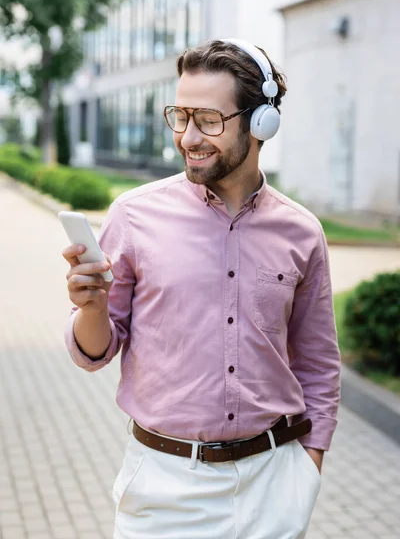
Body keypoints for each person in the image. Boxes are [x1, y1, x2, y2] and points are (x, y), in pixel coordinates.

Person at [63, 39, 341, 539]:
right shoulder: (133, 216)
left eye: (208, 119)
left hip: (273, 486)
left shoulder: (302, 232)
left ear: (261, 122)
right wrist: (92, 307)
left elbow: (318, 362)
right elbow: (94, 353)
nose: (188, 136)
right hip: (164, 488)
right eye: (180, 116)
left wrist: (308, 466)